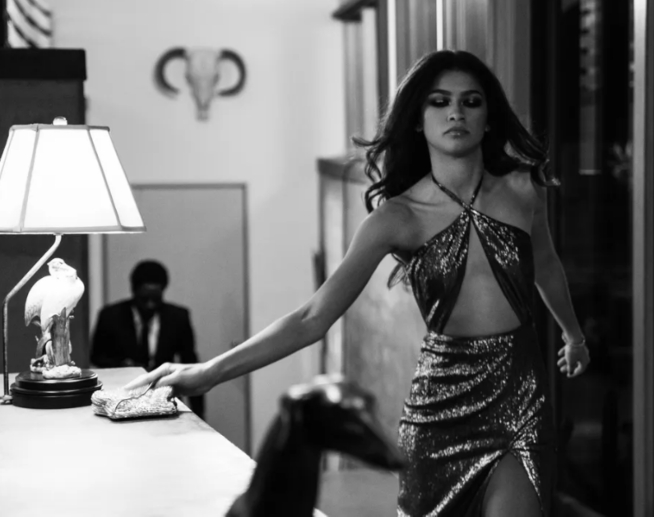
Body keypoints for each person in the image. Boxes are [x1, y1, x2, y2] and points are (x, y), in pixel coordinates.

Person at [126, 50, 589, 517]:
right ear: (418, 120)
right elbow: (312, 318)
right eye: (439, 101)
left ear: (488, 119)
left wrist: (573, 336)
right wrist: (209, 372)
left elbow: (547, 265)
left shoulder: (522, 190)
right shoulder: (396, 218)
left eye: (471, 101)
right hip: (442, 410)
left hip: (520, 399)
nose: (456, 112)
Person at [92, 259, 205, 418]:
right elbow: (96, 356)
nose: (150, 305)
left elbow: (190, 363)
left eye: (156, 299)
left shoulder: (178, 317)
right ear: (134, 291)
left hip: (164, 398)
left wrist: (198, 414)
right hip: (123, 396)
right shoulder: (110, 316)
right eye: (144, 299)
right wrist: (124, 365)